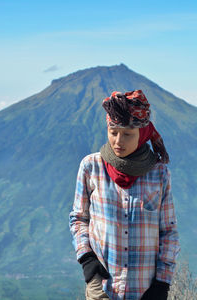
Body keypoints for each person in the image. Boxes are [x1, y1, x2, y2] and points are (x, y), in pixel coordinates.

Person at [69, 90, 180, 300]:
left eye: (127, 134)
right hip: (101, 288)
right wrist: (87, 259)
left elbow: (169, 232)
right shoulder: (91, 166)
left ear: (143, 135)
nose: (118, 140)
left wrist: (161, 285)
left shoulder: (159, 173)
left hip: (146, 291)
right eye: (113, 132)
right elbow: (79, 218)